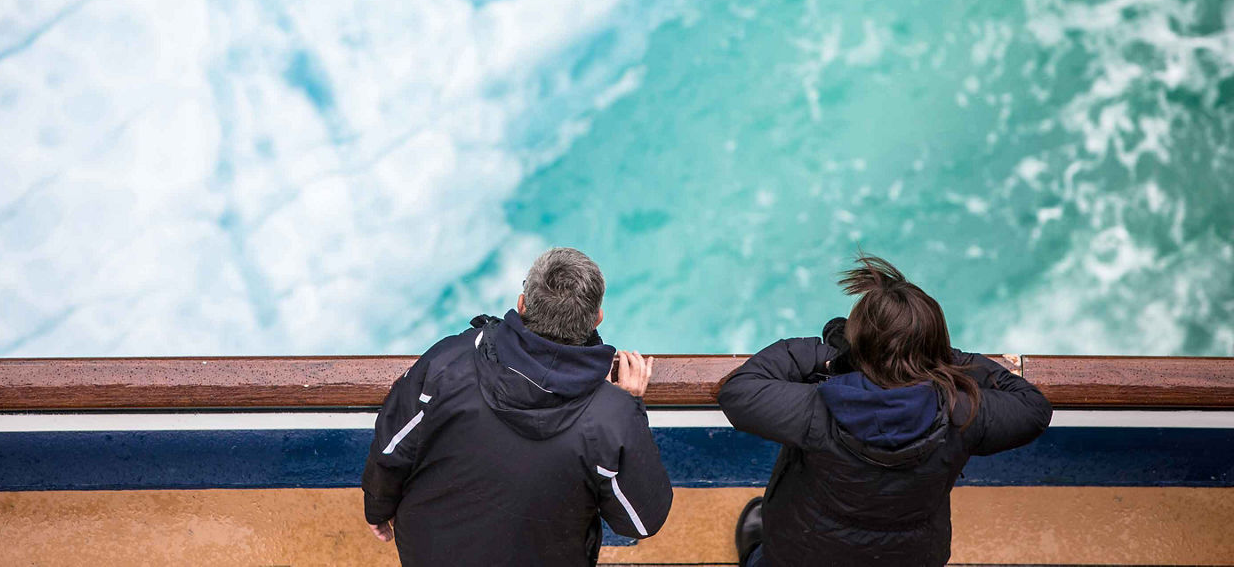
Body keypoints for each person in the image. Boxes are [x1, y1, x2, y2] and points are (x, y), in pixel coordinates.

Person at [718, 253, 1053, 567]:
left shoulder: (817, 409)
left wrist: (828, 353)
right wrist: (945, 359)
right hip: (909, 556)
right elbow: (1033, 408)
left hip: (805, 552)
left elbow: (739, 390)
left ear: (856, 347)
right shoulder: (962, 411)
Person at [361, 247, 673, 566]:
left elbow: (392, 447)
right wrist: (629, 406)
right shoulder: (610, 415)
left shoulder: (448, 362)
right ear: (597, 318)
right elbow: (639, 522)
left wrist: (378, 507)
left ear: (522, 304)